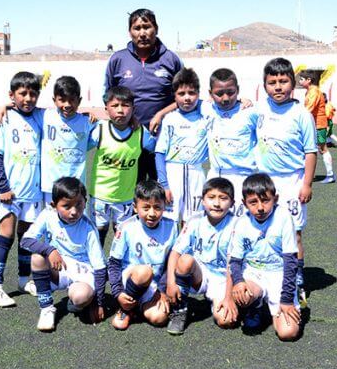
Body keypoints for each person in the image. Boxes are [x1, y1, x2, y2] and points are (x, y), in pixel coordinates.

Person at [253, 58, 317, 307]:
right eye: (272, 82)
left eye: (283, 81)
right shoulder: (258, 110)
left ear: (293, 83)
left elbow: (310, 152)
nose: (277, 87)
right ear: (264, 85)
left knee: (294, 233)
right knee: (263, 230)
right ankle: (265, 273)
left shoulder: (301, 114)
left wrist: (307, 184)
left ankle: (297, 277)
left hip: (292, 181)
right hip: (265, 183)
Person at [104, 8, 183, 181]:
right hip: (128, 139)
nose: (142, 33)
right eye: (137, 28)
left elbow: (185, 98)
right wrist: (125, 119)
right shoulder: (118, 60)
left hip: (164, 140)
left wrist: (161, 114)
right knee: (130, 194)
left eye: (146, 27)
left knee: (162, 195)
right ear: (130, 32)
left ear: (156, 28)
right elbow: (108, 96)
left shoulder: (171, 60)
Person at [20, 177, 107, 331]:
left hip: (82, 272)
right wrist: (50, 250)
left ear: (85, 202)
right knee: (37, 258)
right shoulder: (47, 215)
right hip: (58, 266)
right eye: (66, 206)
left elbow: (100, 268)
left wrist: (98, 303)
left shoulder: (88, 228)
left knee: (80, 297)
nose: (74, 212)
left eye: (79, 204)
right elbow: (25, 241)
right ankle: (47, 308)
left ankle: (78, 302)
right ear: (54, 205)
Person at [0, 72, 43, 307]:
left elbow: (64, 114)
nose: (28, 98)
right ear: (12, 95)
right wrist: (3, 187)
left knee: (26, 237)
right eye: (22, 94)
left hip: (33, 192)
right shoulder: (4, 118)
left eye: (33, 94)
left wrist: (86, 114)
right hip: (10, 192)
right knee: (6, 235)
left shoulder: (40, 116)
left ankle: (24, 279)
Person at [228, 173, 301, 341]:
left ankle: (279, 303)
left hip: (278, 274)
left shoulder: (283, 217)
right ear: (244, 203)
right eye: (253, 202)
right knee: (242, 294)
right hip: (254, 274)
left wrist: (287, 299)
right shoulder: (241, 222)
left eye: (265, 200)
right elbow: (236, 260)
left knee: (287, 332)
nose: (260, 207)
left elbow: (291, 261)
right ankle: (256, 305)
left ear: (275, 199)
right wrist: (239, 282)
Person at [165, 177, 239, 335]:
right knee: (185, 260)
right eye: (211, 198)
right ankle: (180, 310)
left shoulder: (238, 225)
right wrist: (171, 283)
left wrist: (228, 297)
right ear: (203, 201)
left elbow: (233, 266)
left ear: (232, 203)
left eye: (223, 198)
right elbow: (175, 253)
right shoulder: (194, 221)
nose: (217, 203)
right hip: (200, 274)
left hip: (224, 278)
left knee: (226, 321)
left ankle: (244, 306)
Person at [88, 85, 156, 246]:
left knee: (122, 238)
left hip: (125, 198)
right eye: (115, 106)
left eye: (125, 106)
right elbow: (78, 146)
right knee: (98, 236)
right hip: (99, 197)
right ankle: (98, 270)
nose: (120, 110)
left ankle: (117, 269)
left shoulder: (141, 133)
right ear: (106, 109)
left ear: (133, 109)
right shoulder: (100, 130)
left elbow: (158, 150)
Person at [108, 180, 178, 330]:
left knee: (159, 318)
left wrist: (163, 291)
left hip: (154, 286)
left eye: (157, 207)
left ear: (164, 206)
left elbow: (172, 262)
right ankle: (125, 307)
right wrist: (118, 293)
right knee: (144, 271)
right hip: (132, 280)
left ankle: (136, 309)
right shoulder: (126, 227)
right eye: (145, 208)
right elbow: (113, 263)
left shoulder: (172, 227)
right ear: (135, 207)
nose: (152, 213)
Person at [155, 68, 209, 225]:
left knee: (193, 221)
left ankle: (188, 250)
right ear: (174, 95)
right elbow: (160, 153)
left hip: (196, 174)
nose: (187, 98)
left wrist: (242, 101)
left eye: (192, 93)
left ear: (199, 94)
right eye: (181, 94)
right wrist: (164, 185)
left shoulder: (206, 117)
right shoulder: (170, 119)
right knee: (167, 220)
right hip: (173, 175)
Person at [203, 68, 258, 216]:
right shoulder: (206, 109)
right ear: (210, 93)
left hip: (244, 178)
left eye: (231, 92)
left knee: (243, 225)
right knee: (214, 224)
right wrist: (159, 115)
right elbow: (180, 102)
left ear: (238, 90)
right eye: (219, 94)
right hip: (216, 176)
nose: (225, 98)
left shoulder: (251, 112)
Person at [40, 76, 97, 207]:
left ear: (79, 100)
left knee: (76, 220)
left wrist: (132, 119)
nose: (67, 105)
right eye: (62, 100)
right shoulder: (45, 116)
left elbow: (109, 127)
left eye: (72, 100)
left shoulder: (87, 122)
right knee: (52, 222)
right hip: (51, 186)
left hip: (76, 186)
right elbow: (22, 109)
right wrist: (5, 106)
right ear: (54, 100)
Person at [300, 69, 335, 184]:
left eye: (301, 79)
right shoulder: (310, 91)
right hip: (314, 124)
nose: (299, 81)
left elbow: (308, 109)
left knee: (322, 148)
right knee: (309, 148)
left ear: (309, 80)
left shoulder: (314, 92)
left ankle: (330, 175)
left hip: (318, 125)